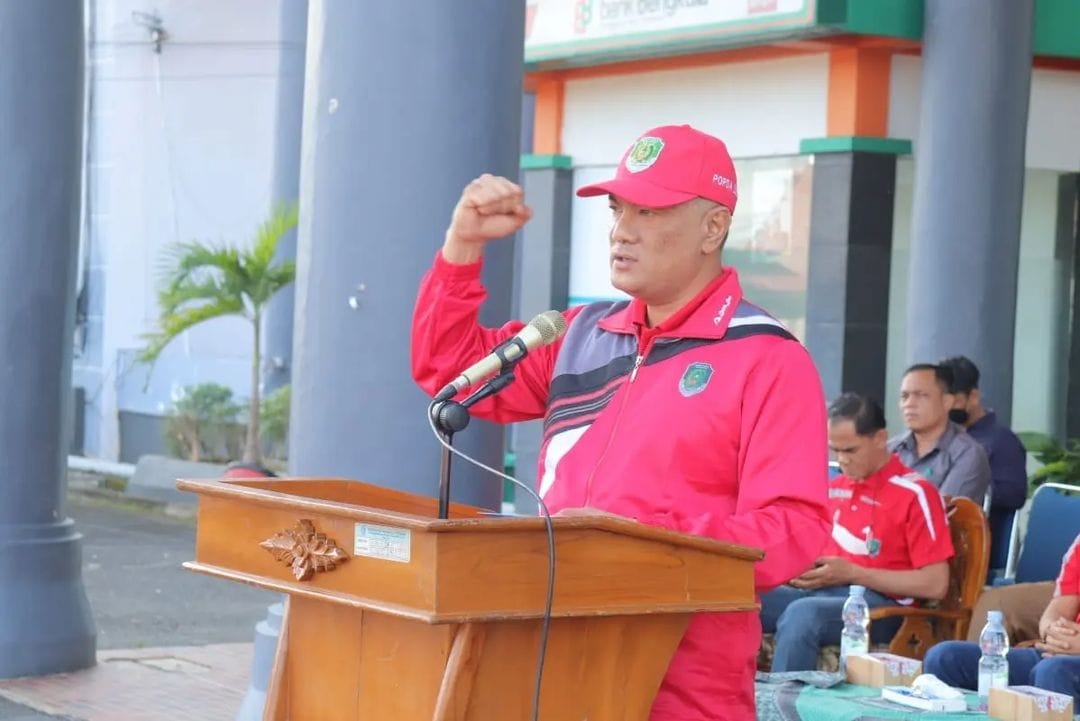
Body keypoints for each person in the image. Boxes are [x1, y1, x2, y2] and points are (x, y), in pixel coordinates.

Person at [410, 124, 831, 721]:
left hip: (680, 685)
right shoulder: (578, 334)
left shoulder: (767, 357)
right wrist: (462, 246)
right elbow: (448, 369)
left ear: (713, 228)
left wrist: (633, 541)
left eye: (649, 211)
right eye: (617, 209)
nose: (621, 231)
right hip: (550, 660)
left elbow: (793, 528)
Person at [760, 393, 954, 672]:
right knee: (740, 597)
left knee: (803, 615)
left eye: (851, 450)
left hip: (883, 608)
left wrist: (853, 573)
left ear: (880, 438)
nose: (842, 460)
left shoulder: (915, 494)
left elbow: (935, 584)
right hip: (822, 592)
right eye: (835, 451)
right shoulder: (834, 488)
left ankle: (785, 700)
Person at [924, 533, 1080, 705]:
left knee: (1052, 672)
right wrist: (1054, 634)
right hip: (1057, 655)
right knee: (945, 657)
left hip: (1062, 666)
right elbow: (1056, 611)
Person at [938, 355, 1028, 562]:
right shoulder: (939, 437)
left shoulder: (1001, 441)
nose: (948, 409)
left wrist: (968, 481)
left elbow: (1014, 494)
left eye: (955, 401)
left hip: (974, 544)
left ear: (974, 397)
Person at [888, 364, 991, 506]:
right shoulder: (889, 448)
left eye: (921, 395)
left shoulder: (968, 454)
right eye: (904, 396)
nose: (909, 404)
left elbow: (941, 511)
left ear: (947, 402)